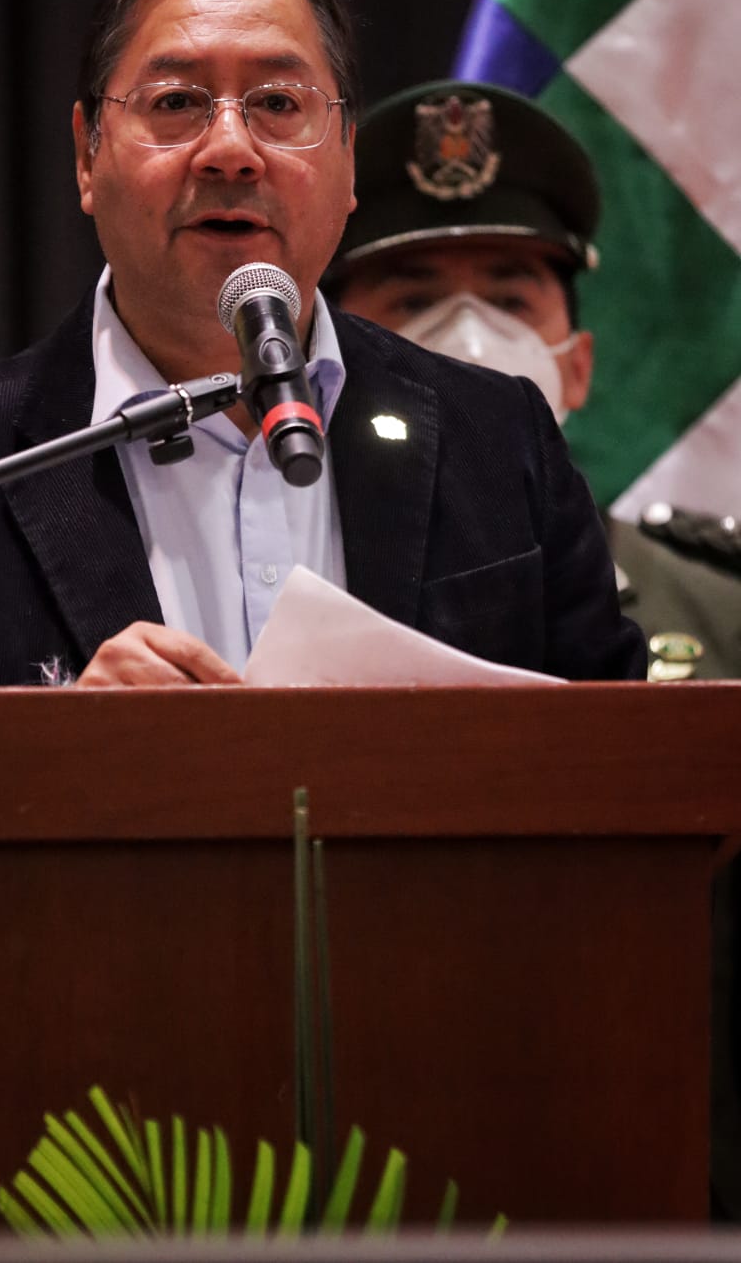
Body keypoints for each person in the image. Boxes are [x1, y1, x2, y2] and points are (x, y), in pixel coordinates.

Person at [0, 0, 645, 1231]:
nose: (231, 146)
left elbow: (630, 781)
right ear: (86, 155)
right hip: (71, 1164)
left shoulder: (496, 439)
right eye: (176, 102)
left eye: (279, 104)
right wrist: (57, 752)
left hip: (459, 1148)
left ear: (345, 164)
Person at [321, 76, 741, 1216]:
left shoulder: (718, 611)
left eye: (510, 296)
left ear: (578, 364)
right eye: (414, 297)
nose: (471, 338)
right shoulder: (273, 589)